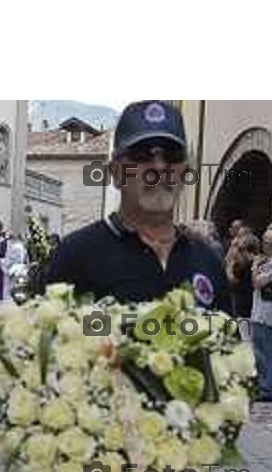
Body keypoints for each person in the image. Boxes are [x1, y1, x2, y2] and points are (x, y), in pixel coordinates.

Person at [46, 101, 230, 313]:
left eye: (172, 155)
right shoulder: (75, 255)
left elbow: (230, 342)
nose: (159, 167)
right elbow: (45, 340)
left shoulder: (208, 261)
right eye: (142, 154)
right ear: (115, 172)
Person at [251, 228, 272, 402]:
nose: (263, 245)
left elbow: (257, 283)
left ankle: (269, 390)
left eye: (265, 242)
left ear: (271, 244)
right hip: (260, 313)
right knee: (260, 353)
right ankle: (263, 386)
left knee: (268, 354)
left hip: (268, 316)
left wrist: (255, 266)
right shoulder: (271, 261)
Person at [226, 232, 261, 340]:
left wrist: (230, 263)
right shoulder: (253, 263)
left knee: (247, 341)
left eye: (240, 249)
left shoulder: (249, 265)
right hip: (249, 309)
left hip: (246, 309)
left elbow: (232, 279)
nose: (237, 252)